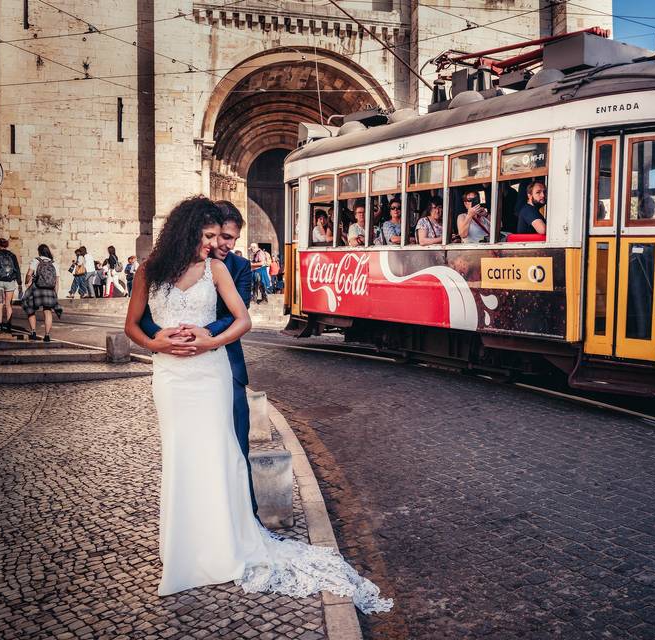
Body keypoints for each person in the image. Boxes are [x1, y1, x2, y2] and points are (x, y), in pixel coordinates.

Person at [124, 196, 391, 612]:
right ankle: (183, 551)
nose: (215, 244)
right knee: (180, 457)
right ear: (186, 232)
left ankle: (224, 545)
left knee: (219, 453)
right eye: (208, 236)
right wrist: (156, 342)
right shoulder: (148, 271)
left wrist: (210, 341)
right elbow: (131, 327)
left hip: (209, 373)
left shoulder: (216, 270)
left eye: (219, 237)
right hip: (170, 378)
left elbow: (242, 319)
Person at [22, 244, 62, 342]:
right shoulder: (54, 263)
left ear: (39, 251)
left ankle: (34, 332)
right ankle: (47, 335)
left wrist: (26, 282)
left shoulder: (36, 260)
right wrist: (55, 294)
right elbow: (57, 281)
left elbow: (29, 274)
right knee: (48, 311)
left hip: (37, 288)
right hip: (49, 290)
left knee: (30, 308)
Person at [0, 238, 23, 332]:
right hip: (10, 282)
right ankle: (9, 325)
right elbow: (17, 269)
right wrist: (19, 283)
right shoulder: (12, 255)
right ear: (6, 245)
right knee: (8, 304)